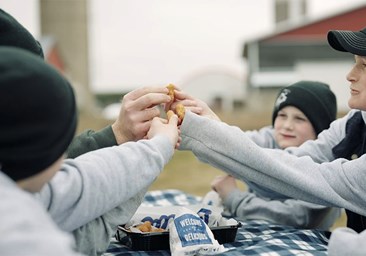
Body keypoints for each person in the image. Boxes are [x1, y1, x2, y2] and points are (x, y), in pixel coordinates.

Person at [0, 9, 176, 255]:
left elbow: (75, 186)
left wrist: (134, 141)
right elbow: (71, 187)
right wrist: (157, 147)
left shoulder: (16, 190)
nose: (63, 156)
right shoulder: (29, 240)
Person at [177, 26, 366, 255]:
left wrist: (208, 135)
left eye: (364, 65)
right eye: (354, 62)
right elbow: (296, 161)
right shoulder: (355, 121)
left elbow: (306, 179)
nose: (350, 74)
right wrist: (214, 128)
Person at [207, 81, 340, 230]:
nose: (287, 125)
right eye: (282, 115)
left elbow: (299, 217)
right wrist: (202, 123)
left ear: (320, 128)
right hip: (259, 233)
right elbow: (233, 144)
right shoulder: (270, 139)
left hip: (304, 244)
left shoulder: (327, 168)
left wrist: (234, 197)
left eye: (299, 119)